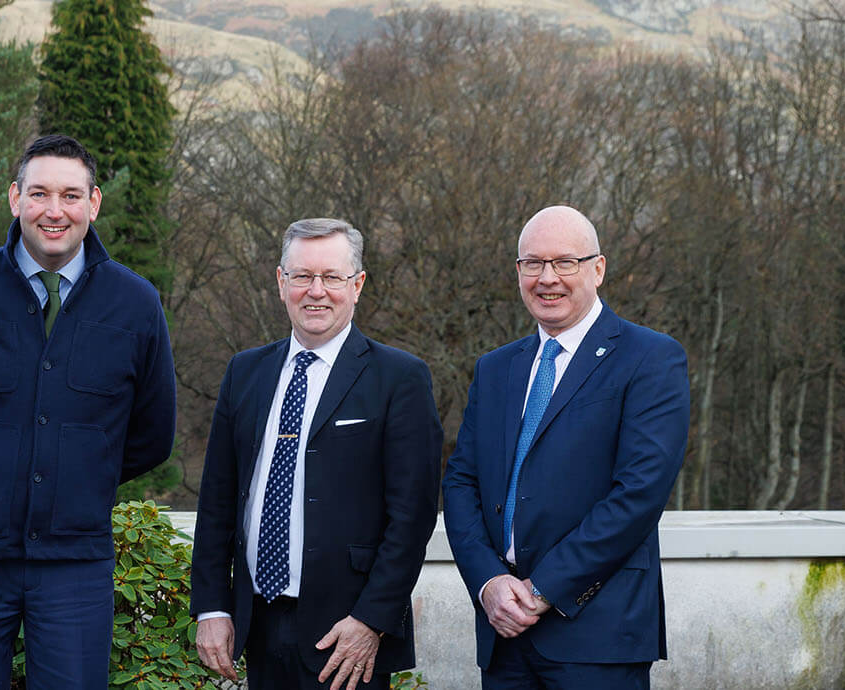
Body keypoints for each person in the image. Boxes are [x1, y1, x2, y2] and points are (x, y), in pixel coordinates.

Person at [0, 134, 177, 688]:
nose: (54, 210)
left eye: (71, 195)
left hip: (76, 559)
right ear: (14, 198)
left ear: (93, 204)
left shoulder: (136, 304)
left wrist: (81, 473)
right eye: (40, 193)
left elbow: (152, 433)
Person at [441, 205, 689, 688]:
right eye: (533, 264)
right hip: (503, 632)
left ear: (598, 268)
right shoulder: (495, 368)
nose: (547, 278)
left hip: (596, 635)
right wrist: (489, 583)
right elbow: (461, 481)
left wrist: (541, 589)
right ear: (518, 273)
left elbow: (638, 494)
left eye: (565, 263)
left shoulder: (650, 358)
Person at [189, 218, 442, 690]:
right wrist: (212, 606)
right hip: (257, 624)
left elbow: (413, 516)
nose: (316, 291)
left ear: (358, 285)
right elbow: (217, 501)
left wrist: (371, 619)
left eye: (332, 277)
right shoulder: (244, 373)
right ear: (281, 282)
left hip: (346, 634)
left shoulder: (399, 378)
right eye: (302, 276)